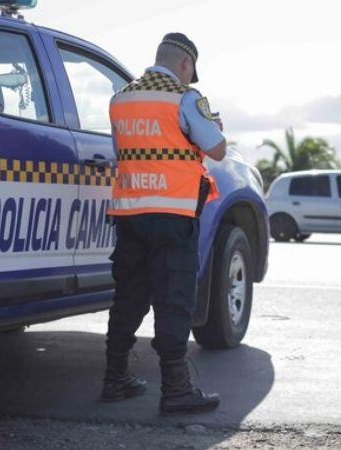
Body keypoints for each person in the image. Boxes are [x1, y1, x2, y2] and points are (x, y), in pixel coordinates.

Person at [103, 32, 226, 415]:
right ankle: (176, 389)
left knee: (129, 296)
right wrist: (213, 123)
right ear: (185, 64)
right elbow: (217, 149)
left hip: (130, 213)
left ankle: (115, 379)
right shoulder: (184, 98)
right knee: (174, 299)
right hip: (173, 215)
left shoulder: (119, 99)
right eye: (191, 72)